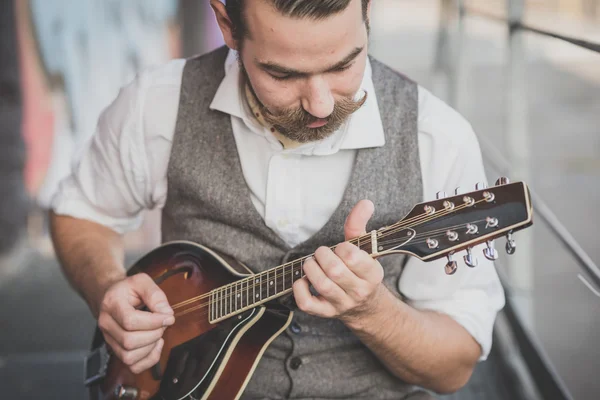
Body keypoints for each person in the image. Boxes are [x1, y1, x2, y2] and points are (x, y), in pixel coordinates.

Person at [50, 1, 505, 398]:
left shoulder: (437, 139)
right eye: (282, 74)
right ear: (228, 25)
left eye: (344, 65)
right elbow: (83, 213)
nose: (321, 105)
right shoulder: (156, 105)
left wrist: (373, 313)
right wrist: (107, 288)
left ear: (368, 10)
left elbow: (453, 370)